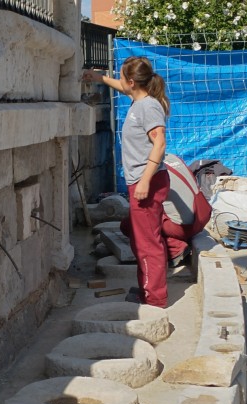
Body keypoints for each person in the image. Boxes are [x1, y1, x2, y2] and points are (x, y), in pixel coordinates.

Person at [84, 57, 170, 307]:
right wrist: (98, 78)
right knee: (137, 237)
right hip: (141, 182)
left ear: (133, 82)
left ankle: (155, 299)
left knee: (147, 245)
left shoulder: (148, 107)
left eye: (122, 77)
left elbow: (160, 143)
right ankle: (147, 290)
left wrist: (144, 182)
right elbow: (122, 87)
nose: (120, 82)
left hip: (148, 183)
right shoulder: (138, 98)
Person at [157, 154, 213, 267]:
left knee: (131, 225)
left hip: (185, 227)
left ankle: (175, 247)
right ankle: (176, 237)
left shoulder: (150, 167)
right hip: (202, 215)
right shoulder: (173, 157)